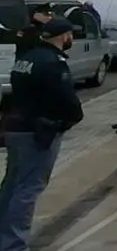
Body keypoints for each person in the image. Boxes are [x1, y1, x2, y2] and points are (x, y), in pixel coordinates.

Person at [0, 18, 84, 250]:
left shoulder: (26, 58)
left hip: (16, 128)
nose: (72, 39)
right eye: (70, 35)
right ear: (64, 36)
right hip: (39, 132)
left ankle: (3, 235)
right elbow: (67, 99)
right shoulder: (53, 63)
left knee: (12, 184)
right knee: (28, 188)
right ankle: (13, 244)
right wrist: (73, 118)